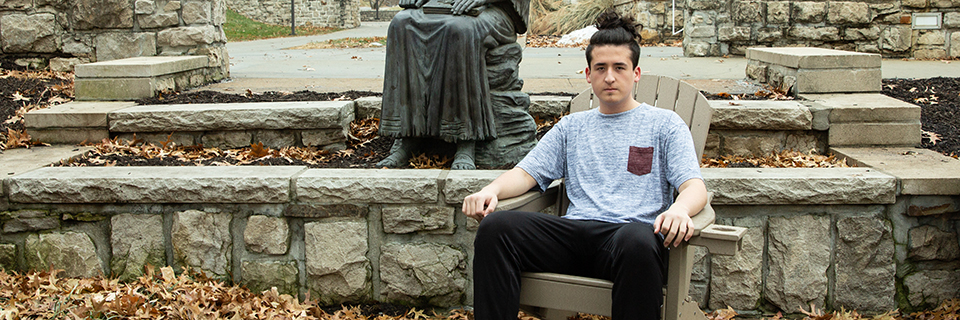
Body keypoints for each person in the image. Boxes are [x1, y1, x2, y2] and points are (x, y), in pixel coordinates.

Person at [461, 11, 709, 320]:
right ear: (588, 74)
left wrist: (679, 210)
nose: (609, 77)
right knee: (496, 228)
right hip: (573, 236)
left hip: (628, 242)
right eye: (601, 68)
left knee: (636, 239)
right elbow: (527, 173)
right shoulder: (571, 127)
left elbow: (693, 185)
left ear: (636, 73)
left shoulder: (664, 125)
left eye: (619, 68)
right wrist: (491, 190)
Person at [377, 0, 530, 170]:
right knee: (401, 23)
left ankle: (466, 142)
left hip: (492, 9)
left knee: (459, 29)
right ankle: (408, 135)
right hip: (443, 6)